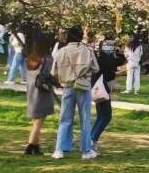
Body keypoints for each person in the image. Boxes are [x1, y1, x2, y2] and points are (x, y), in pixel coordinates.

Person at [51, 26, 99, 159]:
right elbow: (96, 68)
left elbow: (53, 71)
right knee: (85, 118)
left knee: (65, 119)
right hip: (83, 86)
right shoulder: (87, 50)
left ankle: (60, 149)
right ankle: (86, 151)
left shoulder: (62, 51)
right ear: (80, 36)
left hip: (67, 86)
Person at [24, 53, 56, 155]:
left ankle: (36, 146)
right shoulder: (46, 58)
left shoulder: (32, 57)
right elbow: (48, 74)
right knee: (38, 122)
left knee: (36, 121)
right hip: (41, 92)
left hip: (32, 90)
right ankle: (30, 145)